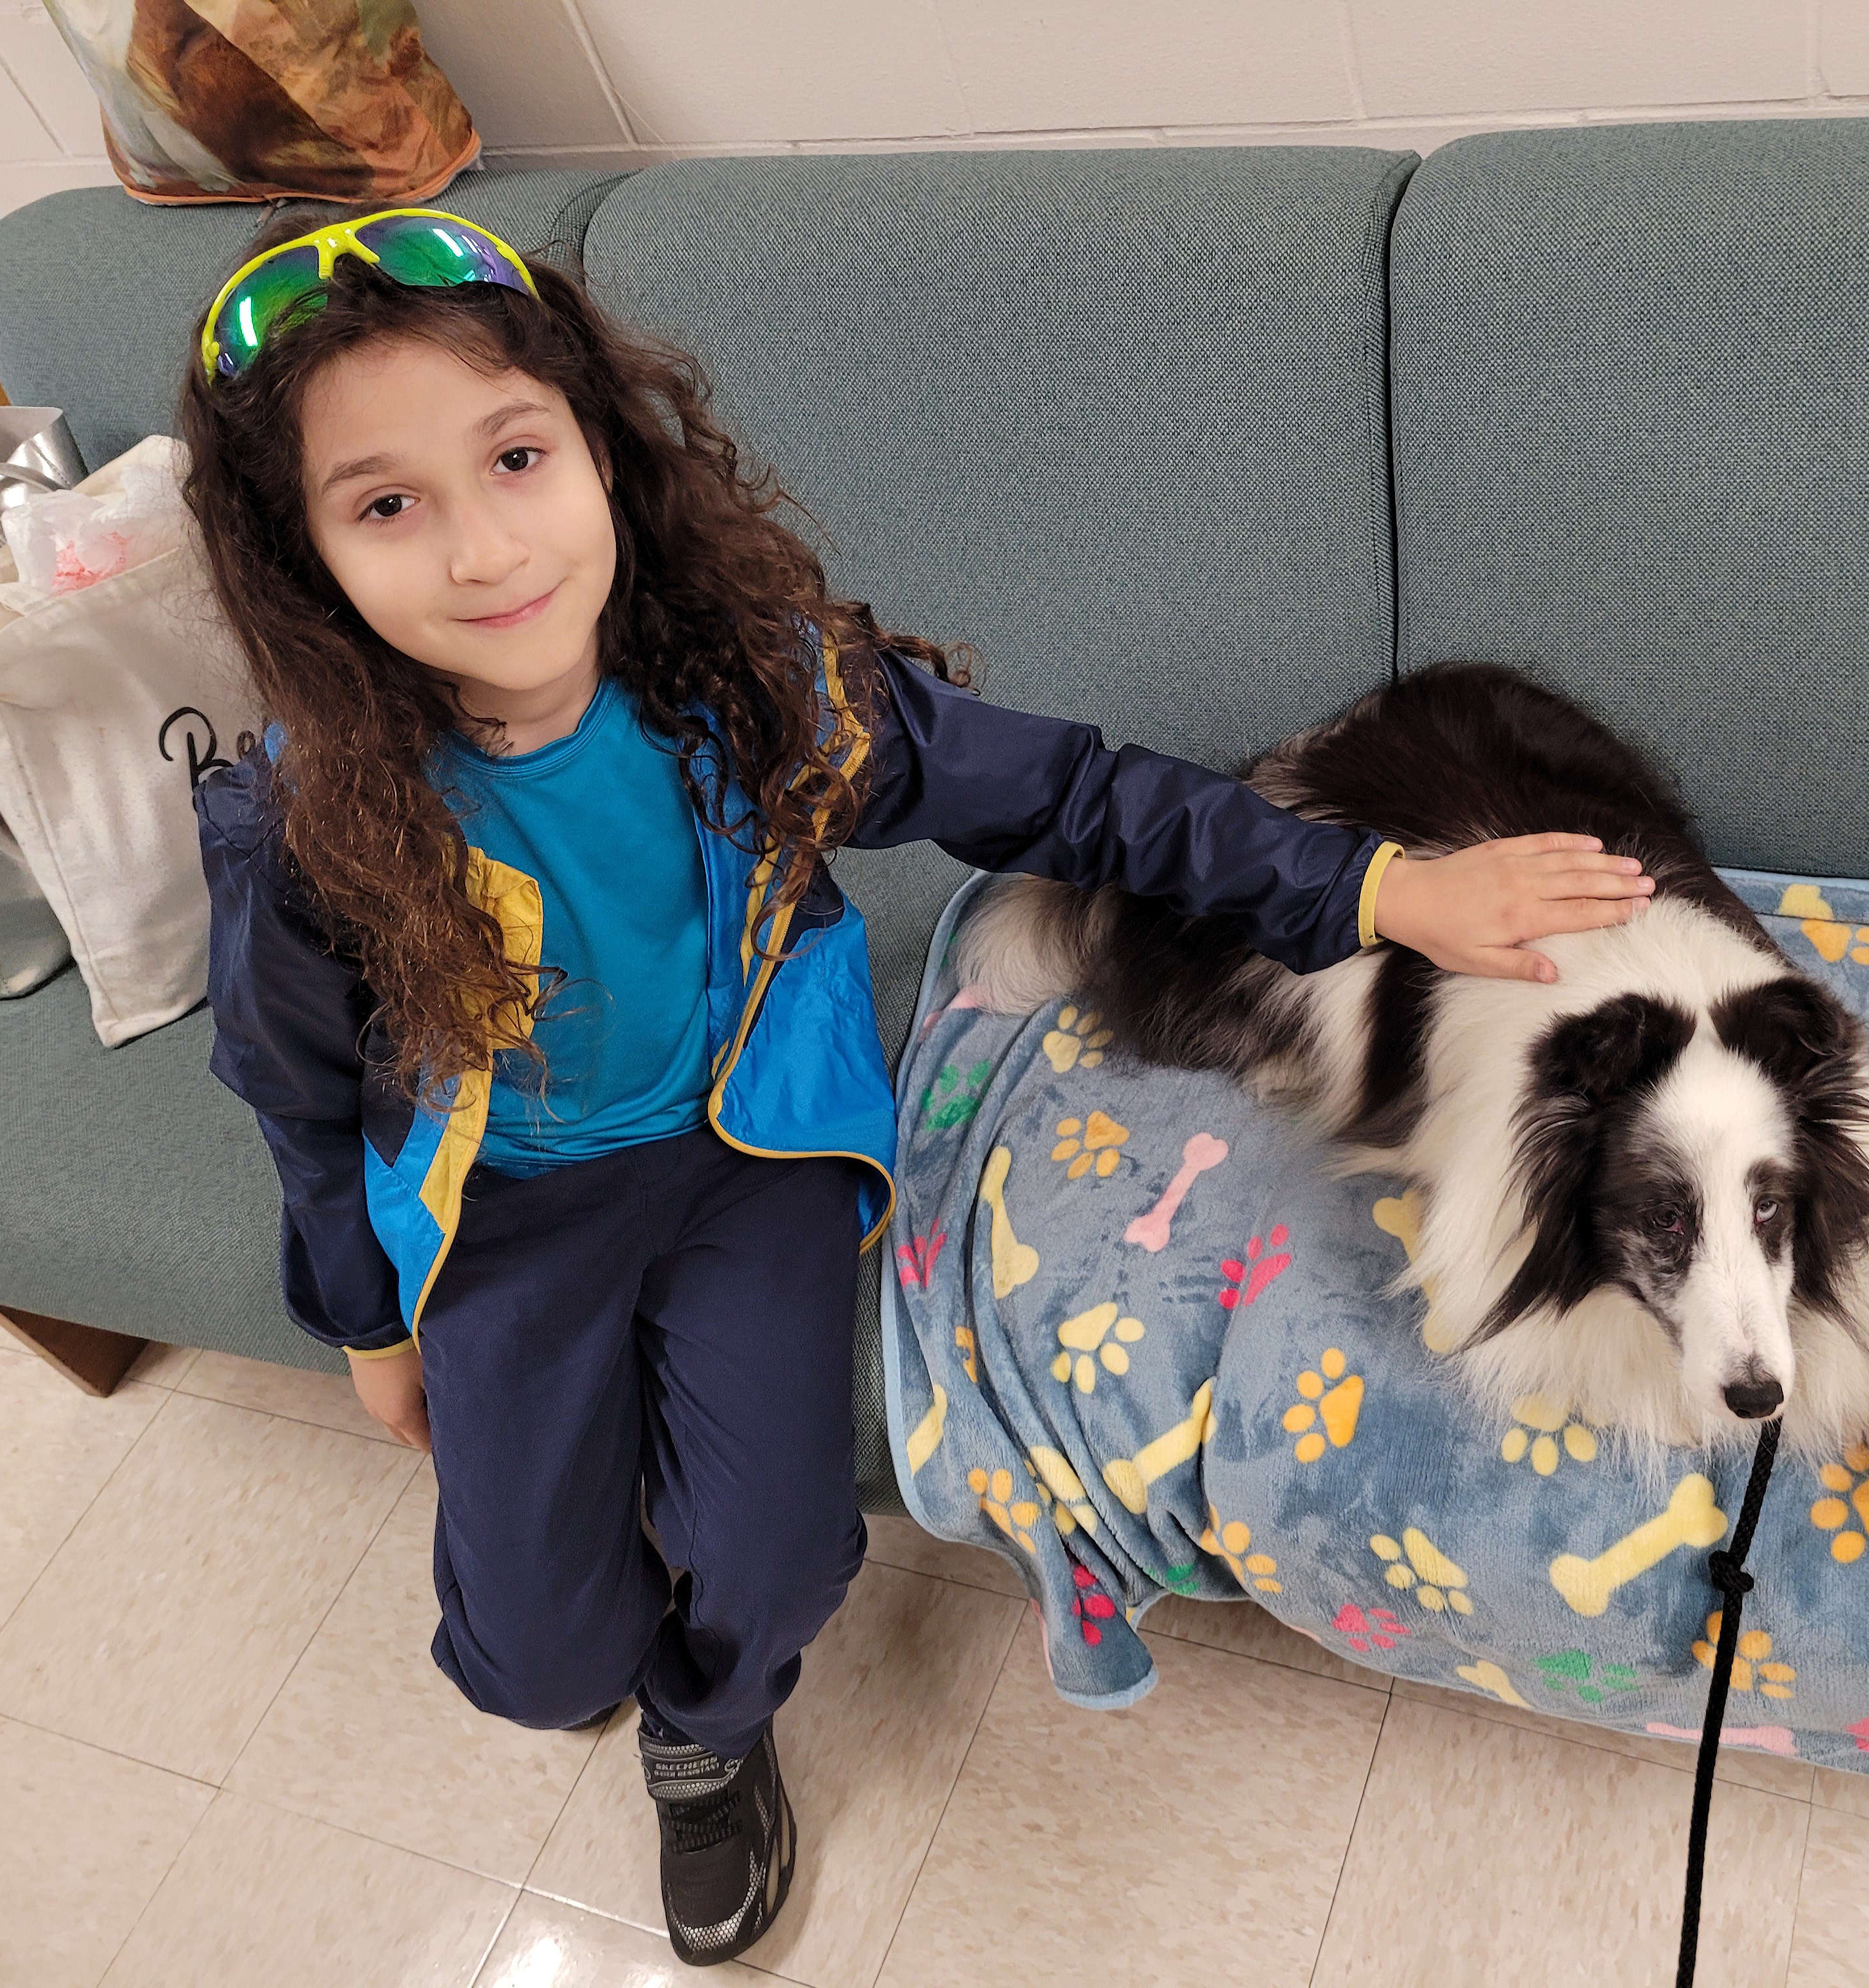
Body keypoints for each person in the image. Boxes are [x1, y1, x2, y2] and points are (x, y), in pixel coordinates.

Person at [181, 209, 1654, 1966]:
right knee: (534, 1663)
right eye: (386, 504)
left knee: (782, 1563)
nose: (486, 549)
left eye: (515, 458)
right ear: (303, 555)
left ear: (598, 449)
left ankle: (708, 1735)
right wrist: (365, 1323)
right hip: (503, 1206)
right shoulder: (308, 822)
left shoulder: (761, 690)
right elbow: (292, 1087)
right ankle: (589, 1627)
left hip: (748, 1151)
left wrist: (1382, 890)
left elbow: (1081, 799)